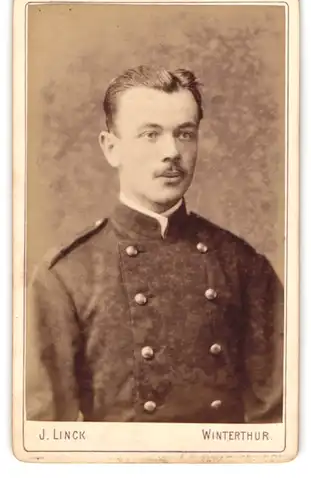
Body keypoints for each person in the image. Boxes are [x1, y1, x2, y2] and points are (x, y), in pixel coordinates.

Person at [26, 65, 284, 423]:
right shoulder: (67, 276)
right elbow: (44, 436)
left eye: (185, 134)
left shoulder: (244, 266)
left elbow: (278, 424)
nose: (172, 152)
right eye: (150, 135)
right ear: (111, 148)